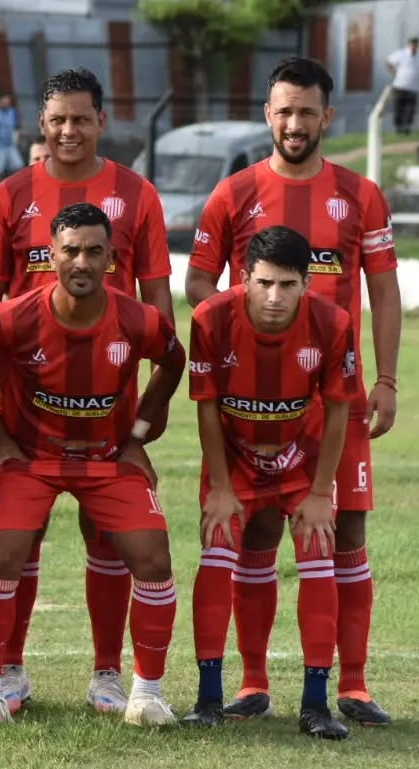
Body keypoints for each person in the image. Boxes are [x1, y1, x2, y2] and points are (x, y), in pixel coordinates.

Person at [186, 56, 399, 726]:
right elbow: (198, 284)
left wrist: (387, 378)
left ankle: (354, 685)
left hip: (336, 399)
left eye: (307, 111)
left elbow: (385, 290)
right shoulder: (235, 192)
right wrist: (251, 337)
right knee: (258, 528)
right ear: (267, 114)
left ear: (326, 116)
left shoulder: (359, 193)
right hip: (253, 401)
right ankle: (251, 682)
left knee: (346, 527)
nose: (295, 122)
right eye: (284, 109)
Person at [0, 67, 174, 715]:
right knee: (16, 541)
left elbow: (158, 314)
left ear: (101, 121)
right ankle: (8, 670)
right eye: (57, 119)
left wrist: (138, 430)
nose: (68, 130)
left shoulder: (136, 193)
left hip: (109, 413)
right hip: (26, 410)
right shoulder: (10, 195)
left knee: (108, 537)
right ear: (41, 122)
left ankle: (109, 674)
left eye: (81, 118)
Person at [184, 226, 355, 739]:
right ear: (243, 279)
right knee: (217, 549)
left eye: (287, 284)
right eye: (264, 283)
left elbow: (341, 407)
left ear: (307, 283)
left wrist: (322, 492)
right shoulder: (210, 317)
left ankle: (315, 705)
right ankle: (210, 699)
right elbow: (208, 405)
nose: (275, 296)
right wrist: (219, 485)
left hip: (302, 460)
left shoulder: (333, 322)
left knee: (318, 553)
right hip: (234, 459)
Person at [386, 38, 419, 134]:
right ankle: (398, 128)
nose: (414, 47)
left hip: (413, 87)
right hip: (400, 86)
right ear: (409, 44)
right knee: (398, 108)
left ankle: (406, 128)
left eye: (416, 45)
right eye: (413, 44)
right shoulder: (401, 54)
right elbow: (388, 62)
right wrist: (393, 73)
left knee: (410, 109)